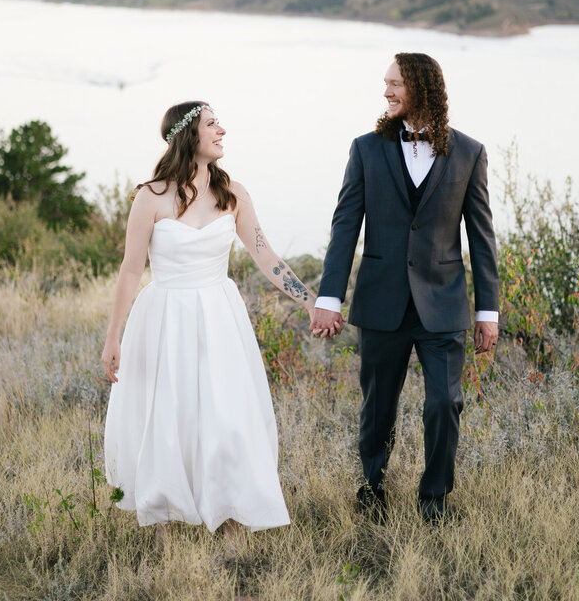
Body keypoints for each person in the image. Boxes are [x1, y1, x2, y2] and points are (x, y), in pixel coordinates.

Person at [101, 101, 313, 537]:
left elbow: (264, 254)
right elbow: (130, 269)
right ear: (188, 136)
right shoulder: (151, 196)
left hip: (219, 319)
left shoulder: (233, 193)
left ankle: (229, 516)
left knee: (226, 416)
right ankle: (164, 521)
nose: (221, 130)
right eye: (212, 123)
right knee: (168, 417)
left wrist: (309, 300)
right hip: (164, 319)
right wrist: (113, 336)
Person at [310, 52, 499, 523]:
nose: (387, 92)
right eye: (385, 83)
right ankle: (372, 489)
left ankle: (434, 500)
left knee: (445, 402)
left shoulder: (470, 152)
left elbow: (482, 236)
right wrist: (330, 297)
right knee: (378, 408)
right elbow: (345, 225)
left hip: (444, 303)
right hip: (381, 301)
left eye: (395, 83)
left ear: (421, 87)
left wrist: (487, 311)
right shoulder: (366, 149)